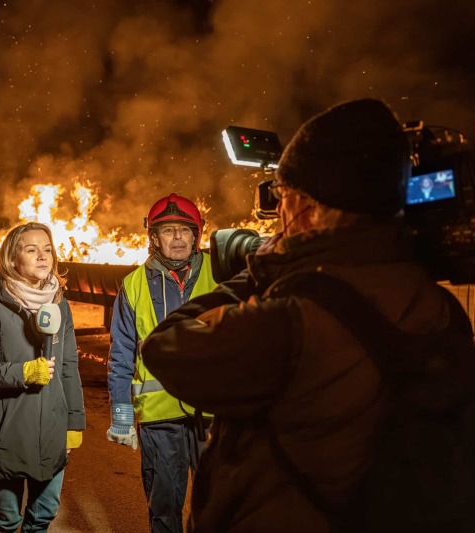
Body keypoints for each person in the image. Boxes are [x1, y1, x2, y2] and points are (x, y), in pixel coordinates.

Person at [141, 99, 474, 531]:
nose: (279, 210)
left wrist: (263, 267)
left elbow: (166, 346)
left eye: (283, 195)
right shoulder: (440, 307)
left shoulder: (291, 319)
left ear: (309, 207)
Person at [0, 221, 85, 532]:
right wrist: (24, 372)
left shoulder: (60, 306)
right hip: (6, 432)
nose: (43, 256)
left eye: (48, 250)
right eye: (32, 250)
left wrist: (74, 423)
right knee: (5, 521)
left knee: (43, 516)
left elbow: (69, 366)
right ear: (13, 259)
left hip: (52, 428)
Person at [107, 193, 217, 533]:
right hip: (158, 417)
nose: (178, 237)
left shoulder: (222, 273)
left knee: (220, 505)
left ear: (196, 235)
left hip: (214, 413)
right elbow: (121, 354)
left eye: (185, 229)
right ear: (154, 238)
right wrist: (122, 414)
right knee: (164, 507)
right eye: (168, 230)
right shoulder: (133, 285)